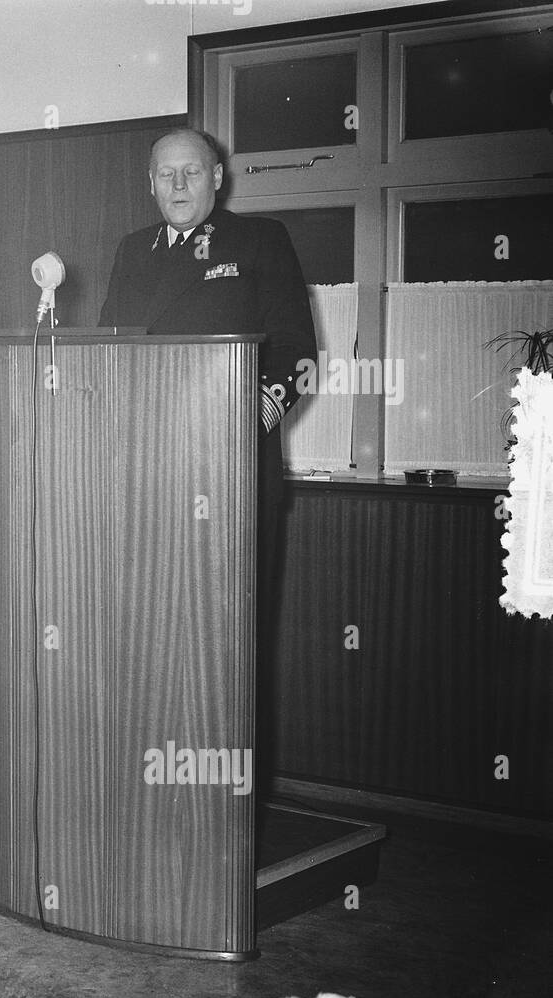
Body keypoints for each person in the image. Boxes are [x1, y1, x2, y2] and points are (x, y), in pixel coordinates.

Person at [97, 127, 318, 753]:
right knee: (149, 629)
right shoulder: (132, 250)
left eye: (191, 172)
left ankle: (226, 804)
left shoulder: (260, 240)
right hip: (149, 470)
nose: (178, 186)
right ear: (150, 183)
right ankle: (150, 773)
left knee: (227, 640)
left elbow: (297, 354)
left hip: (231, 470)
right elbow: (114, 352)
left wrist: (246, 428)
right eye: (165, 175)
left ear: (217, 176)